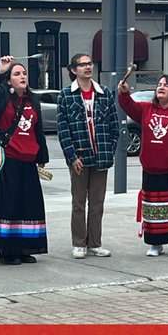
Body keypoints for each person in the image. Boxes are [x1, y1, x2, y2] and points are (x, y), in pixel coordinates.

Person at [0, 57, 49, 264]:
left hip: (28, 161)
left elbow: (38, 130)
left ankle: (24, 248)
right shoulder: (1, 96)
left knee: (28, 206)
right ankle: (7, 251)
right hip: (7, 161)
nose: (22, 77)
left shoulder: (33, 100)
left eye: (24, 73)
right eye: (16, 74)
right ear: (8, 81)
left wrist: (41, 157)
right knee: (8, 206)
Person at [118, 74, 168, 257]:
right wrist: (124, 93)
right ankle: (155, 244)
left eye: (166, 85)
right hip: (151, 170)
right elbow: (128, 106)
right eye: (159, 84)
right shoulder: (146, 109)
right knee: (152, 210)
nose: (161, 87)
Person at [58, 53, 119, 259]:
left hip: (101, 155)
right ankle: (79, 243)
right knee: (78, 202)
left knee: (97, 203)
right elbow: (63, 129)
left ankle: (95, 242)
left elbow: (114, 125)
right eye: (82, 65)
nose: (87, 67)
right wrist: (71, 156)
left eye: (89, 63)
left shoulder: (105, 93)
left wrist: (110, 150)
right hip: (79, 157)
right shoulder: (66, 95)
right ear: (74, 70)